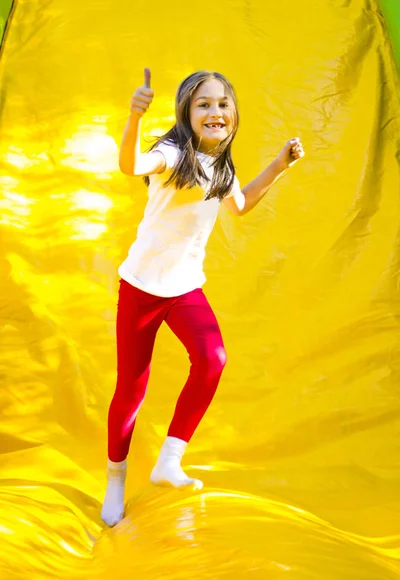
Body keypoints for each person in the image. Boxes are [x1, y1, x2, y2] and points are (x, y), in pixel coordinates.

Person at [101, 68, 305, 526]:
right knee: (131, 390)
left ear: (233, 114)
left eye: (222, 104)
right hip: (141, 287)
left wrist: (278, 165)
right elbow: (131, 166)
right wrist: (134, 117)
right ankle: (115, 477)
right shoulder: (172, 154)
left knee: (213, 359)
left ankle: (169, 459)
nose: (215, 112)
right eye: (203, 104)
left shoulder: (222, 166)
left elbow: (239, 204)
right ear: (186, 113)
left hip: (184, 287)